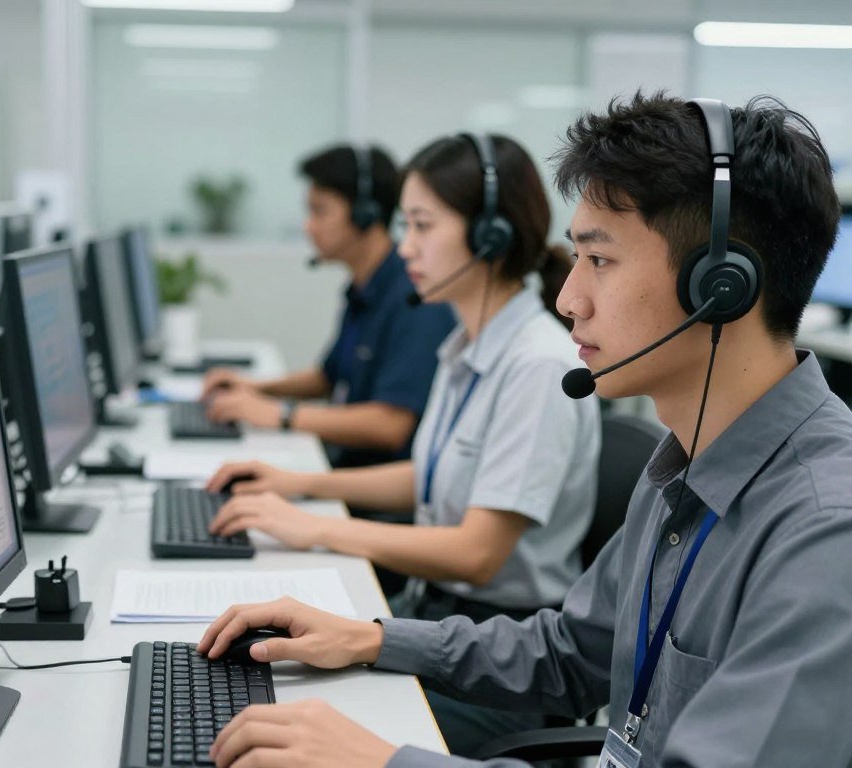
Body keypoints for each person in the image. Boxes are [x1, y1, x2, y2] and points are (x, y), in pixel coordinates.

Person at [196, 93, 852, 768]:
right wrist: (372, 639)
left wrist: (384, 764)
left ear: (721, 285)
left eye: (599, 260)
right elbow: (571, 651)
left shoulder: (826, 535)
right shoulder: (682, 465)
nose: (567, 299)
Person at [205, 133, 600, 753]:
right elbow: (427, 474)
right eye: (403, 225)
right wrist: (301, 486)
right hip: (441, 623)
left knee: (289, 720)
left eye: (422, 226)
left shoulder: (536, 366)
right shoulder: (465, 344)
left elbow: (476, 553)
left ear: (490, 237)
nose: (406, 247)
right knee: (264, 668)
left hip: (502, 665)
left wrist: (313, 526)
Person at [202, 144, 454, 471]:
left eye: (319, 211)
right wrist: (255, 389)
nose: (308, 226)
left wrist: (281, 414)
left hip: (378, 491)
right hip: (346, 466)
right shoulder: (365, 287)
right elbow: (328, 377)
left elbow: (390, 426)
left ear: (366, 214)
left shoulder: (413, 297)